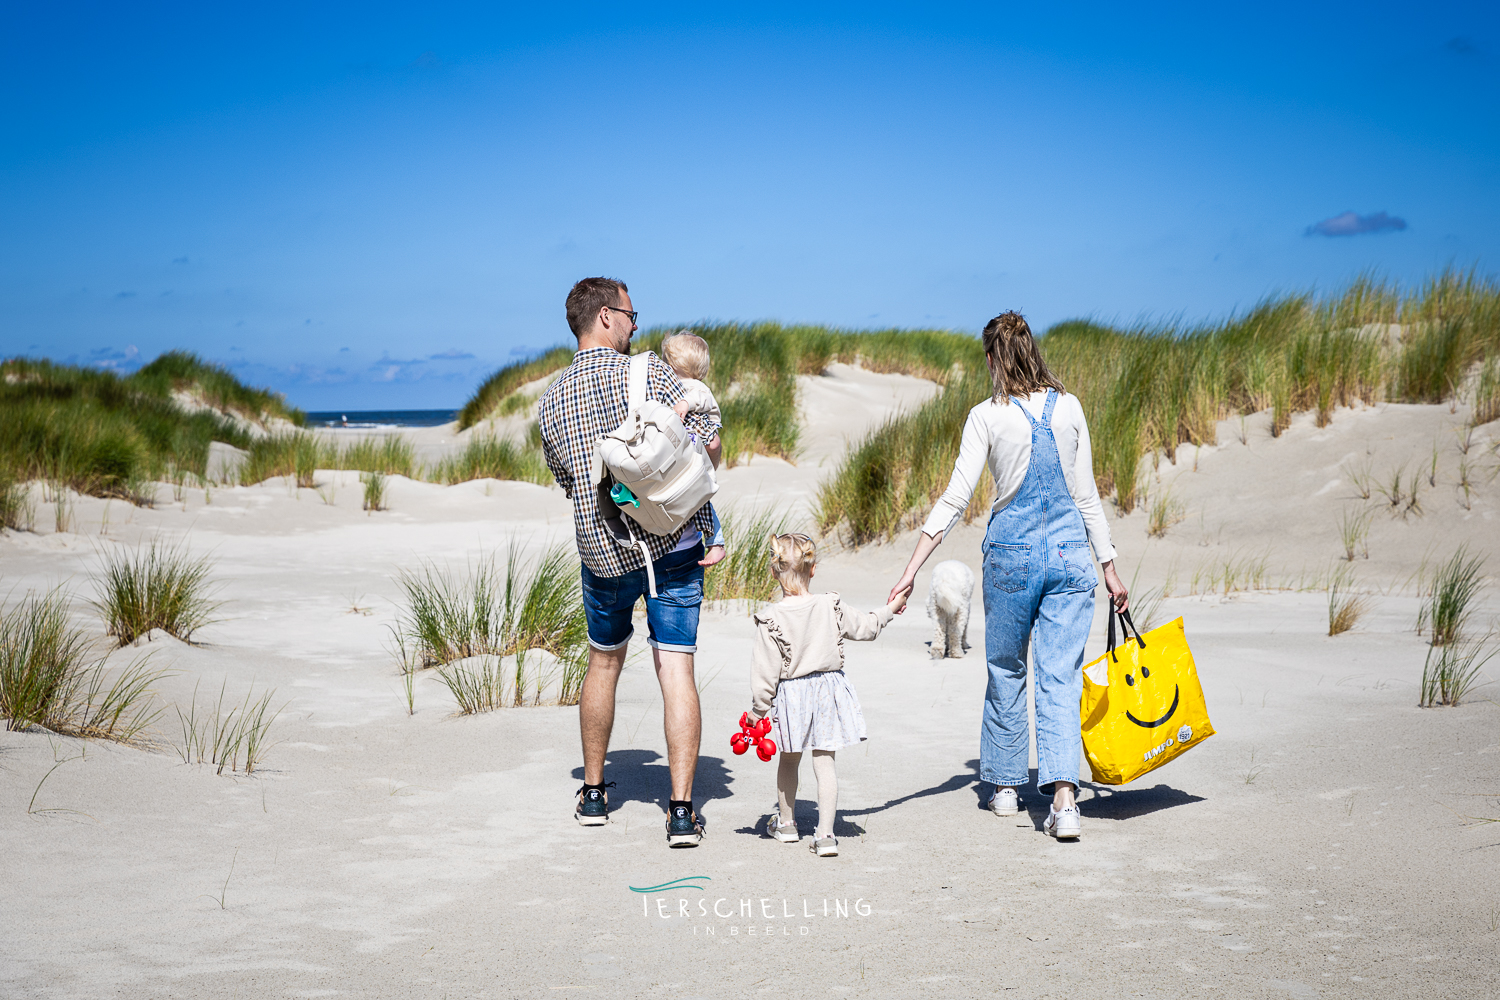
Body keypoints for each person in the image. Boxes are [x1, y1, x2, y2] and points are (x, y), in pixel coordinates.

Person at [887, 311, 1127, 841]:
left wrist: (909, 572)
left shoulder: (987, 415)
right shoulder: (1069, 408)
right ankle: (1065, 802)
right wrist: (1109, 568)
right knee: (1060, 676)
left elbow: (956, 497)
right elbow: (1087, 496)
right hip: (1070, 557)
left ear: (993, 358)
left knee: (1005, 668)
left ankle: (1003, 787)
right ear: (1032, 349)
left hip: (1011, 558)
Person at [536, 277, 725, 848]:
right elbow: (707, 445)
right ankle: (683, 811)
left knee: (603, 664)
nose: (637, 324)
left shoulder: (549, 401)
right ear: (605, 317)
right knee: (677, 671)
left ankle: (594, 795)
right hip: (670, 547)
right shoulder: (646, 371)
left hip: (600, 551)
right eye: (630, 312)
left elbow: (569, 479)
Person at [749, 532, 907, 857]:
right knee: (825, 764)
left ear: (773, 571)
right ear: (813, 569)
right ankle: (825, 836)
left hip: (792, 696)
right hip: (827, 691)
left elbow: (765, 673)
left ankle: (788, 824)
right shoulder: (829, 605)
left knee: (789, 760)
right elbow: (866, 627)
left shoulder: (772, 618)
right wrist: (891, 608)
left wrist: (758, 710)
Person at [661, 330, 725, 550]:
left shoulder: (696, 387)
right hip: (688, 443)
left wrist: (686, 404)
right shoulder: (676, 384)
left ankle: (716, 541)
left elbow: (702, 398)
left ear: (674, 363)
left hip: (699, 438)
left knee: (700, 499)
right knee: (694, 499)